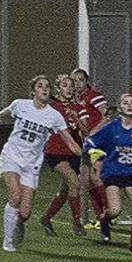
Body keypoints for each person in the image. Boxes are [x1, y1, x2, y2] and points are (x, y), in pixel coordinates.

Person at [0, 75, 82, 252]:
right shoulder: (21, 105)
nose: (44, 89)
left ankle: (18, 223)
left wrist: (85, 152)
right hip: (12, 157)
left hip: (31, 164)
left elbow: (69, 140)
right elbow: (0, 116)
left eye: (47, 86)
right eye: (40, 86)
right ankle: (8, 242)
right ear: (33, 91)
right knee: (15, 196)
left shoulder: (54, 116)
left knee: (25, 213)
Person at [82, 92, 132, 253]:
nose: (129, 105)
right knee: (115, 210)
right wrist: (94, 152)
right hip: (112, 172)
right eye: (125, 103)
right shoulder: (111, 128)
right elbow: (89, 142)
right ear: (119, 108)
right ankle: (104, 221)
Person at [39, 73, 89, 236]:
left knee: (65, 191)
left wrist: (77, 119)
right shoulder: (52, 107)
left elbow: (86, 131)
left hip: (74, 153)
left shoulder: (79, 108)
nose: (69, 88)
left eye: (71, 85)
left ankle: (46, 218)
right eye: (65, 85)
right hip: (56, 152)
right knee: (75, 183)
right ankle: (77, 224)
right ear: (58, 89)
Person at [71, 68, 110, 228]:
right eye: (75, 81)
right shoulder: (75, 100)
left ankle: (107, 213)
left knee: (96, 176)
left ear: (86, 81)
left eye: (81, 80)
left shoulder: (94, 96)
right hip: (85, 142)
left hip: (98, 140)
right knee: (87, 180)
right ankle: (98, 216)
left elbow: (107, 115)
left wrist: (92, 134)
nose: (78, 84)